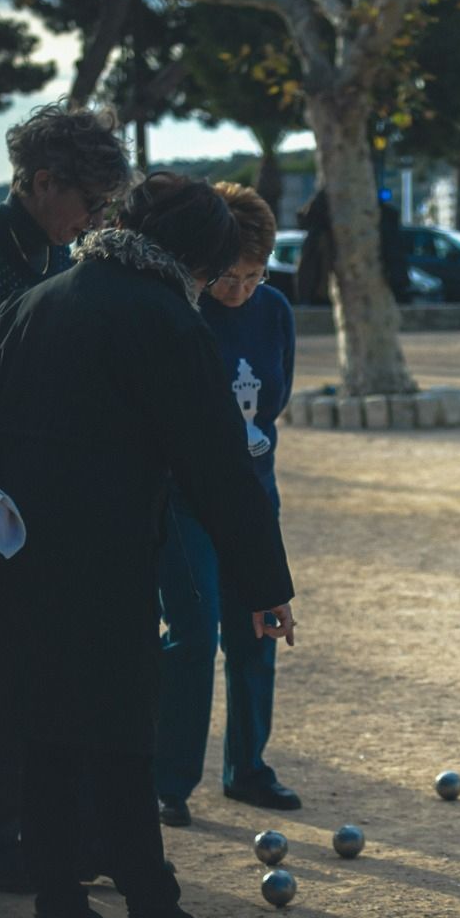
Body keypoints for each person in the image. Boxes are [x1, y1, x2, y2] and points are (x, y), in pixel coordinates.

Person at [0, 172, 296, 918]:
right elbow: (218, 465)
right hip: (105, 556)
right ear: (194, 257)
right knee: (121, 735)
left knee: (47, 734)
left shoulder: (37, 301)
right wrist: (265, 586)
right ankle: (154, 916)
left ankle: (60, 913)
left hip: (16, 554)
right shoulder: (163, 319)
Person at [0, 101, 132, 893]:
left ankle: (41, 827)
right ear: (39, 182)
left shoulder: (56, 255)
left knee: (37, 671)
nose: (96, 220)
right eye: (89, 202)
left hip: (35, 492)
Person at [155, 182, 298, 827]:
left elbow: (273, 401)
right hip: (184, 501)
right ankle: (168, 780)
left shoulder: (274, 311)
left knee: (257, 631)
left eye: (254, 275)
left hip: (252, 496)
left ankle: (247, 768)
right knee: (193, 633)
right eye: (228, 277)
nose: (240, 289)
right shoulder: (178, 313)